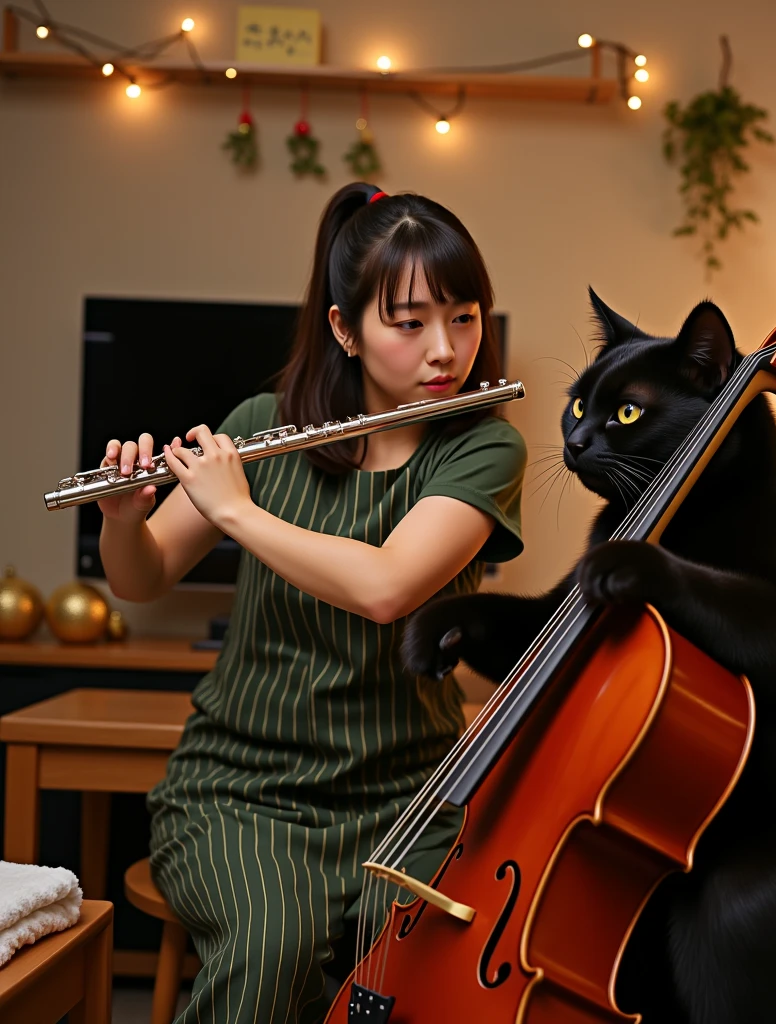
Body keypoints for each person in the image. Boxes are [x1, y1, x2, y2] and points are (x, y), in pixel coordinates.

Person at [97, 182, 526, 1024]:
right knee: (271, 947)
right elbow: (141, 578)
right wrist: (122, 520)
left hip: (407, 798)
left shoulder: (483, 446)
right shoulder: (264, 423)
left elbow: (387, 587)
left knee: (440, 959)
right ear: (345, 328)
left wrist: (236, 512)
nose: (446, 350)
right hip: (242, 793)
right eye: (410, 323)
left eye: (465, 317)